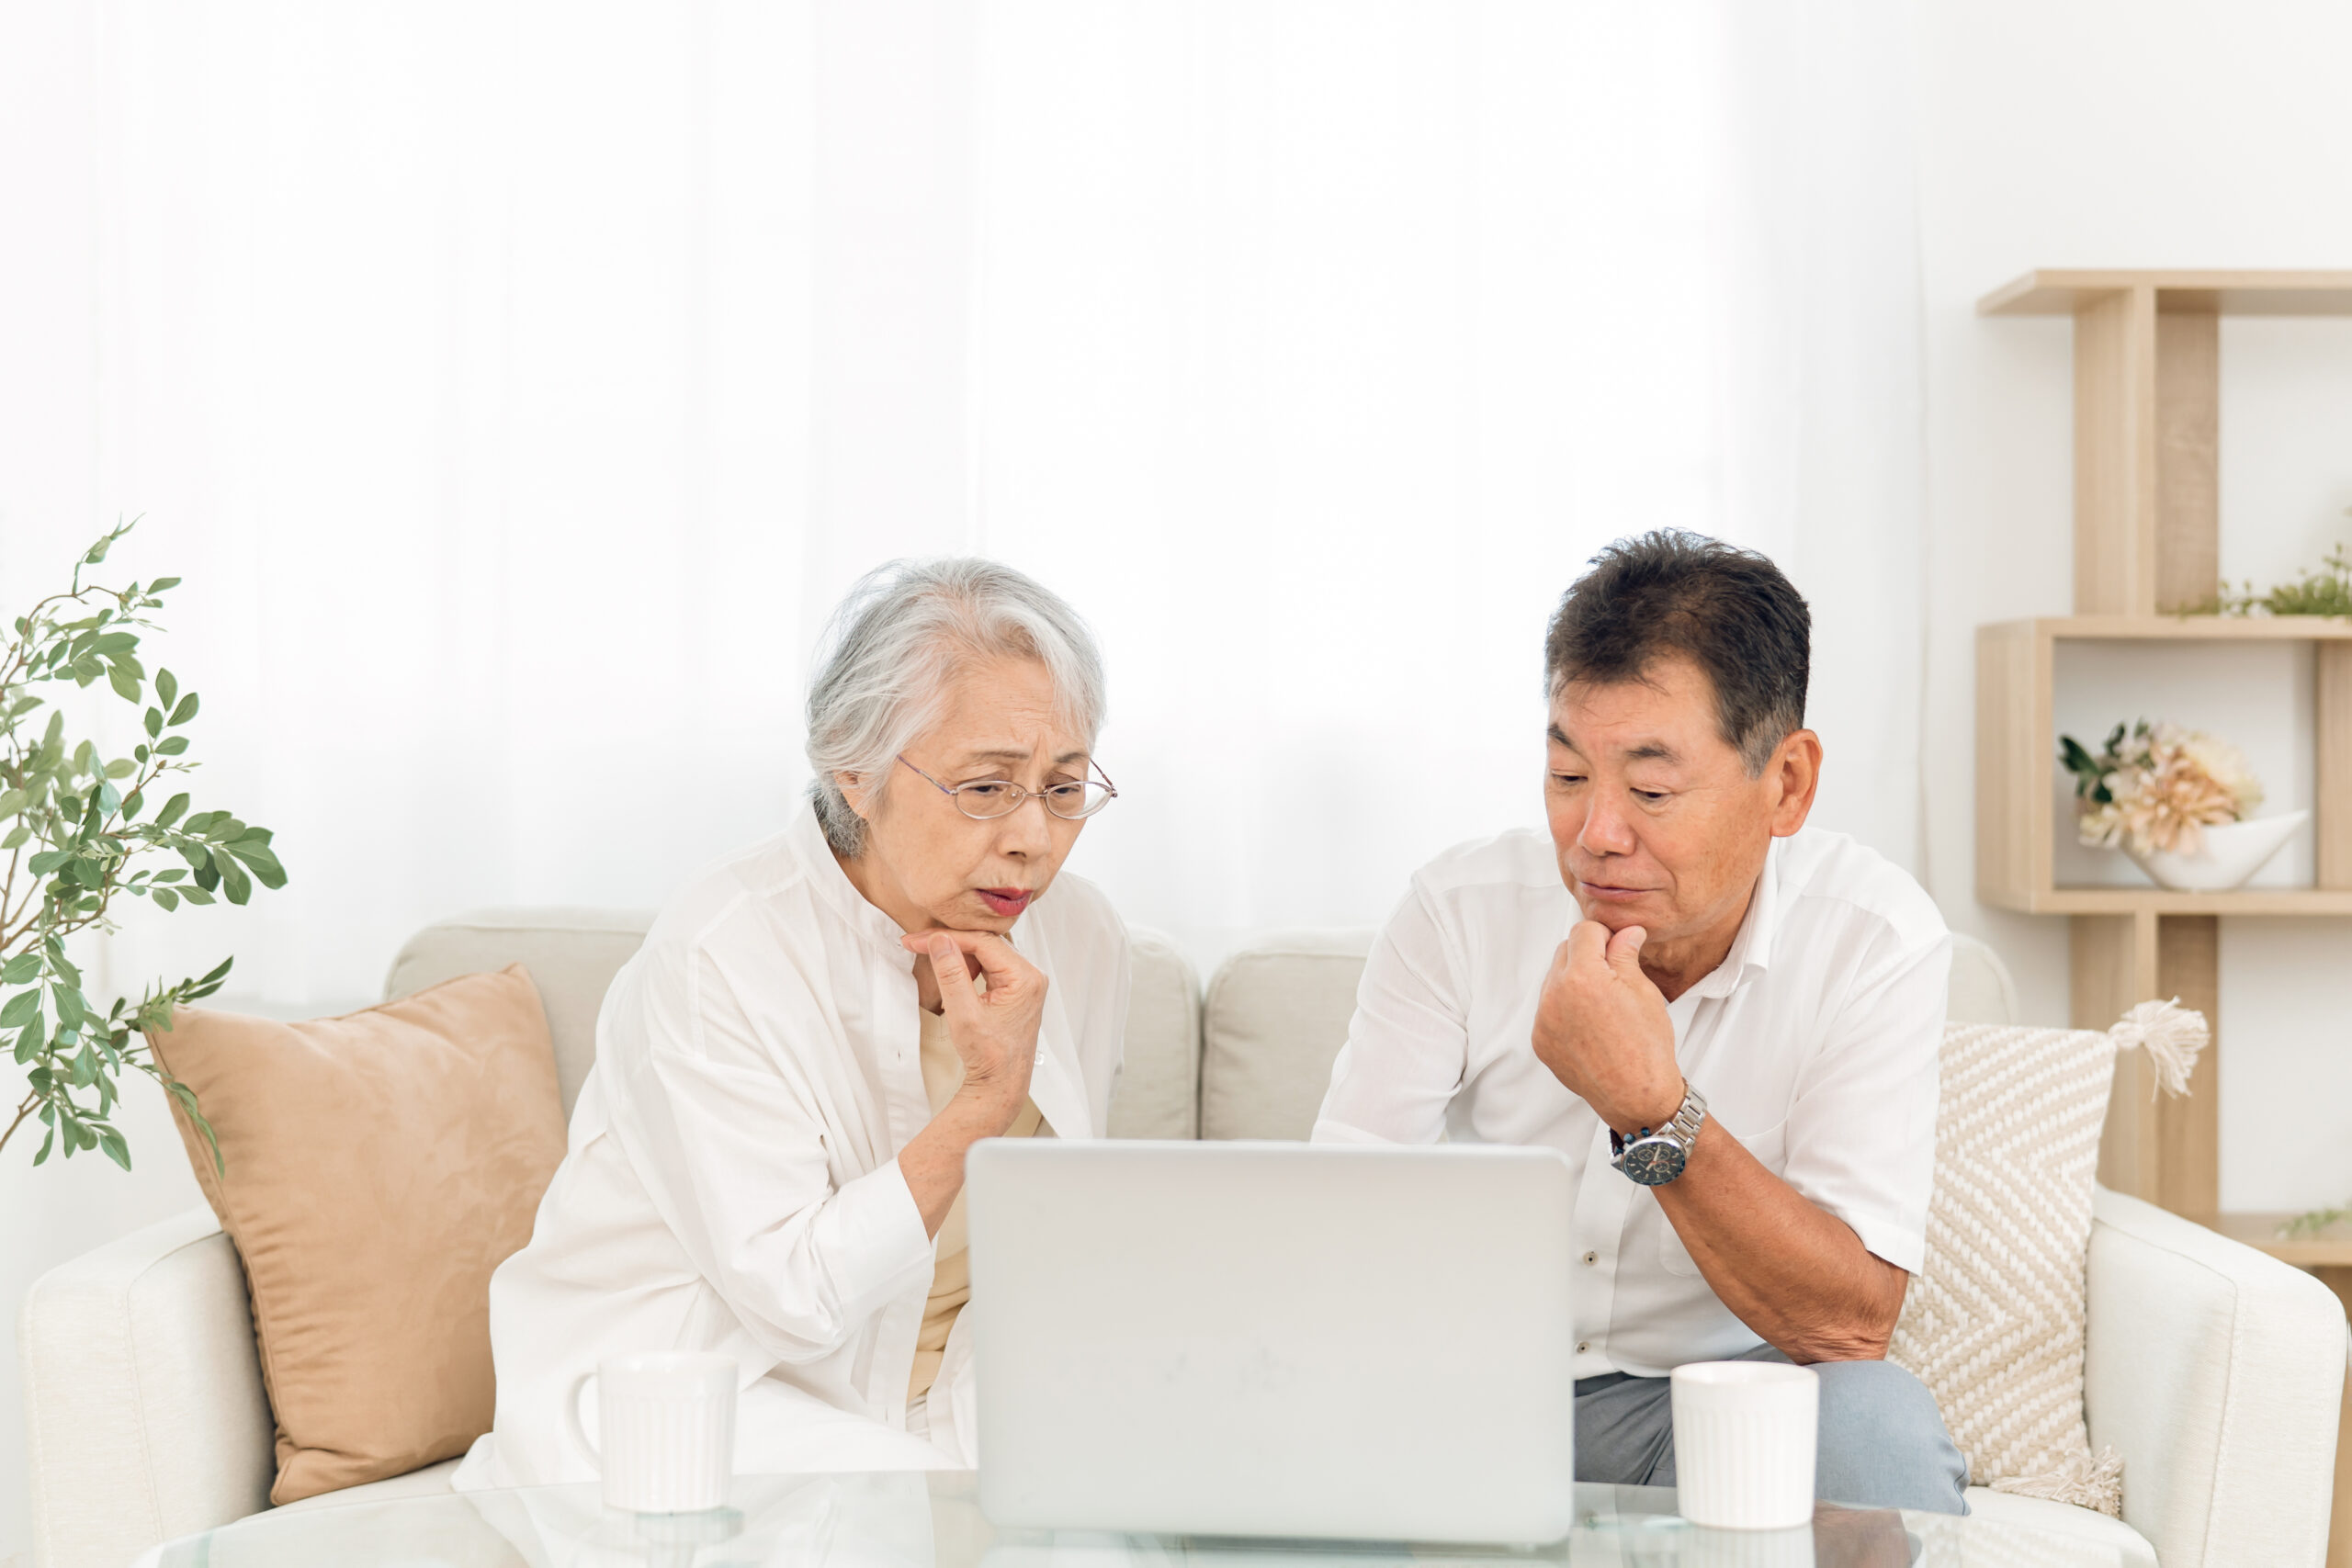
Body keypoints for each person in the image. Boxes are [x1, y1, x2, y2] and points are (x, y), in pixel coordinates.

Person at [1312, 530, 1967, 1513]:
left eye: (1652, 790)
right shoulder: (1458, 910)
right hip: (1463, 1398)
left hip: (1716, 1407)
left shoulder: (1874, 939)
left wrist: (1655, 1112)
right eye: (1568, 777)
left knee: (1873, 1425)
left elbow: (1848, 1326)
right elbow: (1333, 1228)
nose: (1596, 838)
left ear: (1787, 783)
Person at [454, 558, 1128, 1484]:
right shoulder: (721, 948)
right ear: (855, 770)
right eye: (985, 788)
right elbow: (796, 1300)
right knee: (907, 1518)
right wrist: (984, 1101)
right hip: (705, 1390)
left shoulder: (1081, 936)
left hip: (949, 1394)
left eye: (1064, 788)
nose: (1033, 840)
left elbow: (1047, 1246)